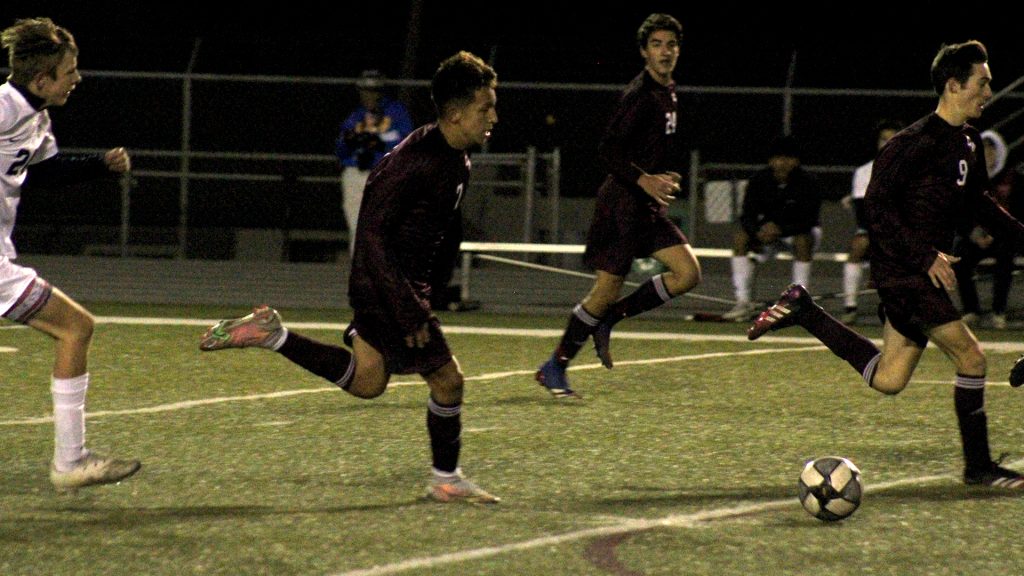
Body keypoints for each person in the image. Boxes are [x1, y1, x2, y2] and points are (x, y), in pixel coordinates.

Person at [201, 51, 500, 504]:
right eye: (485, 107)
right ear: (456, 113)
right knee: (448, 381)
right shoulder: (416, 161)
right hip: (387, 288)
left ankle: (272, 337)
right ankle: (446, 479)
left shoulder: (456, 160)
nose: (493, 116)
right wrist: (408, 308)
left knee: (367, 381)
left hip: (395, 287)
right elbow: (374, 238)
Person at [749, 40, 1024, 488]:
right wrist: (924, 255)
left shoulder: (969, 141)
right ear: (954, 85)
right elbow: (877, 209)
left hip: (920, 273)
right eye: (983, 82)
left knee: (889, 378)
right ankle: (978, 467)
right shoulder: (911, 143)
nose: (989, 91)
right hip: (904, 272)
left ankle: (804, 310)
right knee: (972, 358)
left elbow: (980, 204)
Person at [0, 18, 140, 492]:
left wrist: (99, 166)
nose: (76, 79)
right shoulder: (1, 107)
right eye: (69, 71)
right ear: (42, 80)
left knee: (75, 327)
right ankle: (70, 461)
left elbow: (42, 173)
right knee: (75, 326)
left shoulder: (35, 116)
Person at [534, 13, 701, 399]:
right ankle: (554, 366)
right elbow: (607, 150)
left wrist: (661, 174)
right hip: (622, 206)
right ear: (644, 52)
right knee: (605, 289)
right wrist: (644, 178)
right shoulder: (639, 95)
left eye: (671, 44)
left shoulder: (669, 90)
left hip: (646, 206)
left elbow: (644, 149)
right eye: (657, 44)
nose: (665, 51)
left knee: (688, 273)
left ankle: (612, 318)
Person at [721, 135, 822, 321]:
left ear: (796, 160)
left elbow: (809, 219)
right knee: (740, 238)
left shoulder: (808, 181)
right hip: (768, 235)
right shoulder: (759, 180)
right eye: (778, 158)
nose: (783, 163)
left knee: (803, 240)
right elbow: (747, 215)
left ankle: (799, 301)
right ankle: (742, 301)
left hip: (798, 233)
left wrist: (781, 229)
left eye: (788, 158)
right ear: (770, 160)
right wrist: (758, 232)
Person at [334, 70, 413, 256]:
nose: (368, 94)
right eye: (364, 89)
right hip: (356, 173)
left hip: (384, 174)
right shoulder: (355, 117)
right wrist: (350, 141)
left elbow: (406, 142)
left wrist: (378, 143)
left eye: (373, 89)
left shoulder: (396, 112)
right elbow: (341, 150)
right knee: (357, 227)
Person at [839, 119, 903, 324]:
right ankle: (850, 306)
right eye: (884, 139)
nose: (888, 143)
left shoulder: (913, 170)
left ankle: (899, 304)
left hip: (904, 231)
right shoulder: (864, 172)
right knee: (859, 244)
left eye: (893, 139)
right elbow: (862, 214)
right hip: (876, 231)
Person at [955, 130, 1020, 329]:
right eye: (982, 151)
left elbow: (1018, 211)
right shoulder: (968, 178)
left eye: (991, 151)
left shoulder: (1013, 178)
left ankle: (998, 311)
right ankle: (971, 310)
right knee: (960, 257)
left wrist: (998, 231)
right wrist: (972, 233)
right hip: (977, 237)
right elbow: (958, 211)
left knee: (1005, 257)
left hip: (1004, 237)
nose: (987, 156)